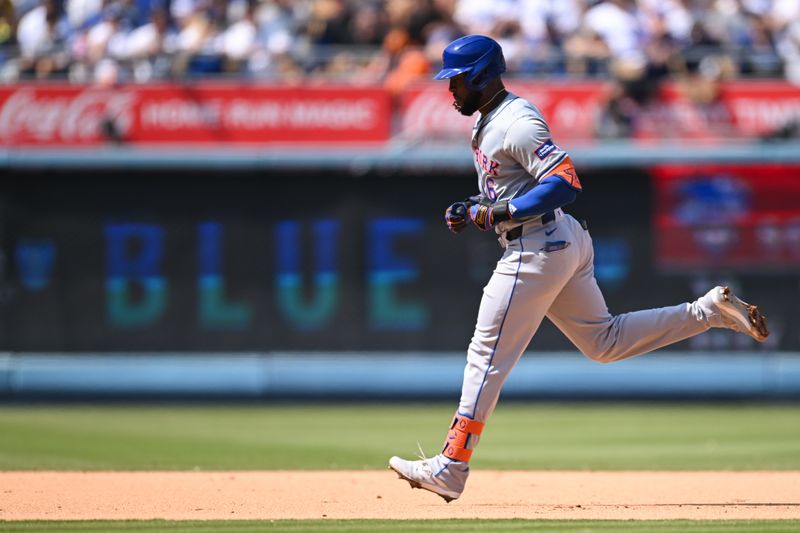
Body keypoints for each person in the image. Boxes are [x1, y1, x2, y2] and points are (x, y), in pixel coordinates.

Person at [388, 34, 769, 503]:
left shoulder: (518, 121)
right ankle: (706, 312)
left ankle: (451, 465)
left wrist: (498, 213)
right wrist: (474, 207)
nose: (451, 90)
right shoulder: (487, 121)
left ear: (483, 75)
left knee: (484, 356)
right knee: (604, 342)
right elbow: (510, 191)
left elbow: (565, 182)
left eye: (458, 80)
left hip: (537, 248)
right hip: (558, 240)